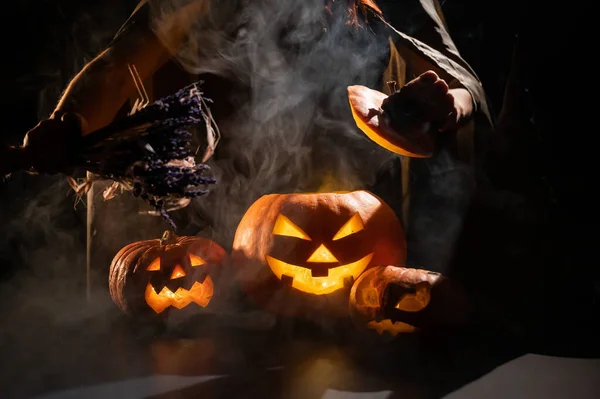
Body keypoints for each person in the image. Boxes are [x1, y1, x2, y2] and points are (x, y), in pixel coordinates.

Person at [10, 0, 491, 274]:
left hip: (345, 236)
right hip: (200, 240)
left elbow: (457, 77)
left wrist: (444, 102)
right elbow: (121, 63)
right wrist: (67, 123)